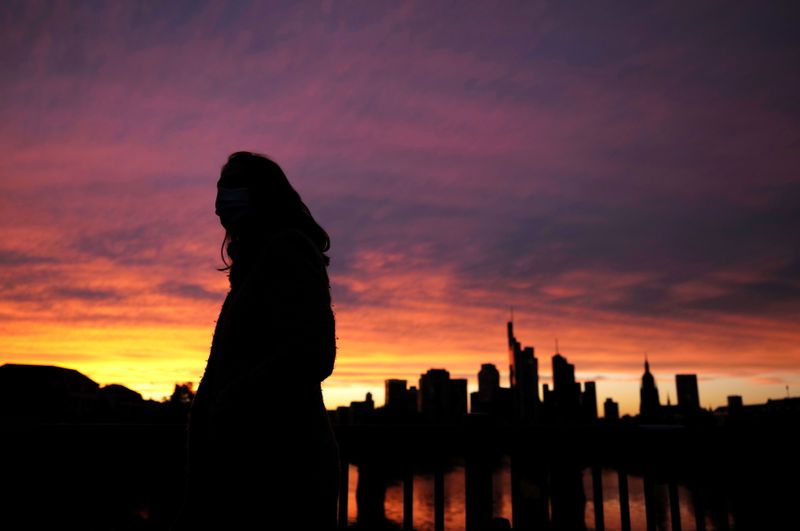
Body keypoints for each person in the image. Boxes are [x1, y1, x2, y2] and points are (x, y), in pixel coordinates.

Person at [172, 151, 340, 530]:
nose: (221, 198)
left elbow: (314, 353)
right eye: (220, 187)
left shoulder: (289, 251)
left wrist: (231, 402)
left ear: (263, 193)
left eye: (232, 185)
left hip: (281, 469)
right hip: (250, 465)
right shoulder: (256, 264)